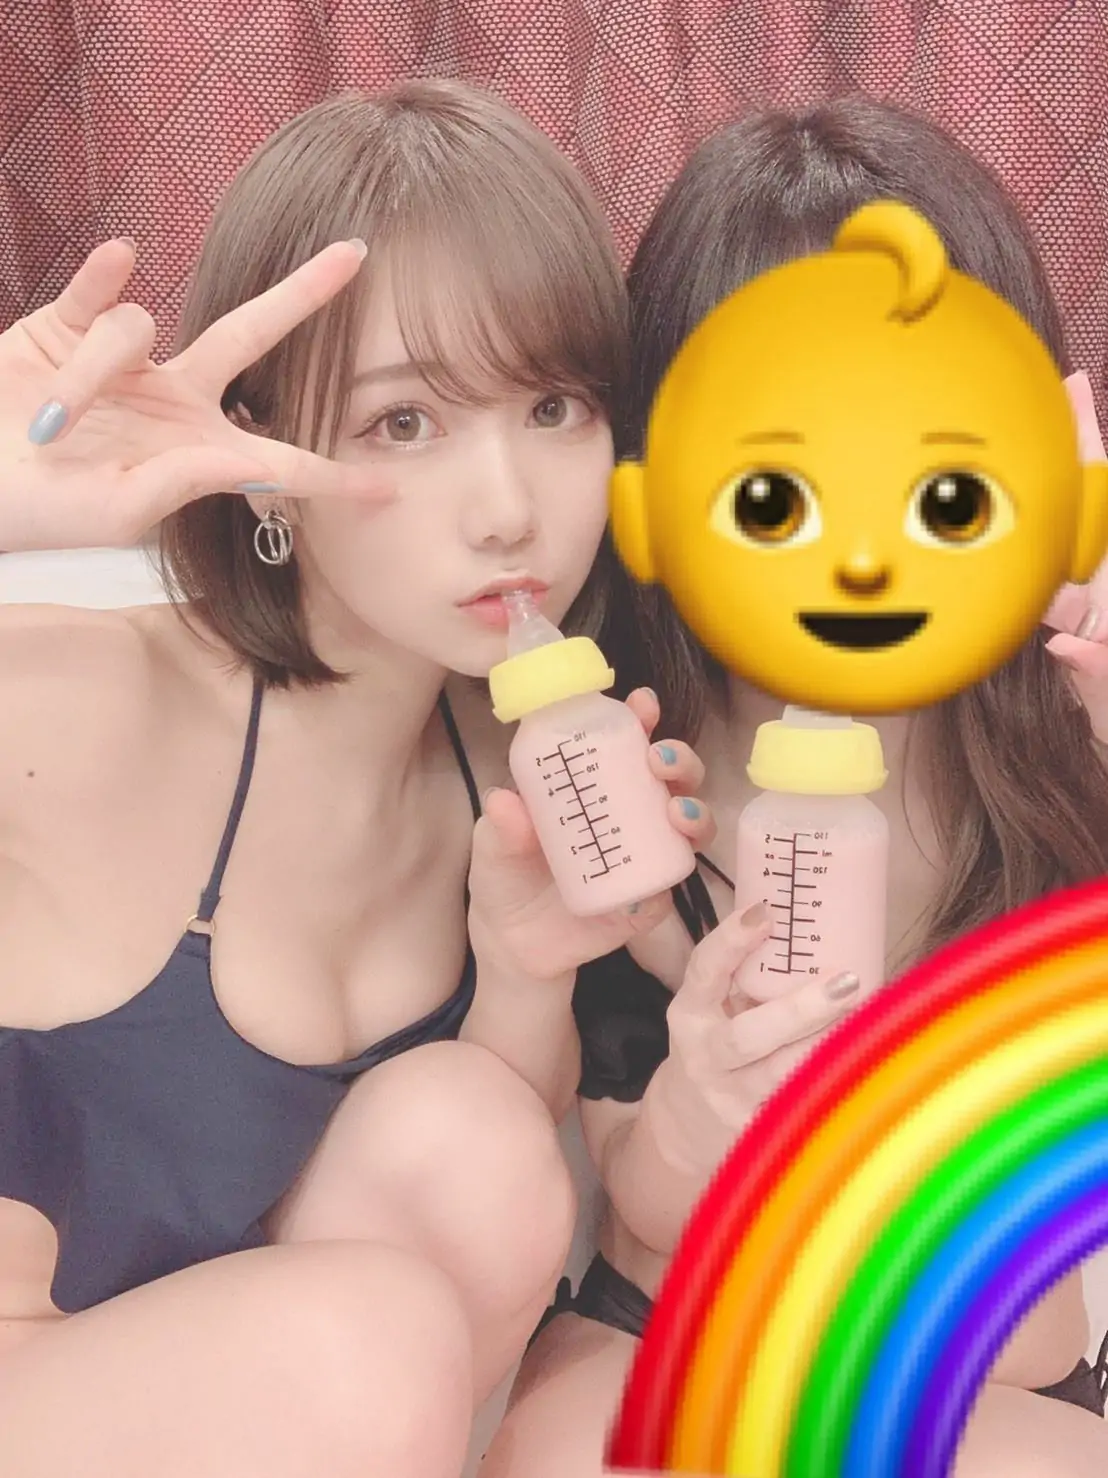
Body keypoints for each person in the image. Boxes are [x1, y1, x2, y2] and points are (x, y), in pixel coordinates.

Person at [0, 80, 712, 1478]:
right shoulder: (78, 699)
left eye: (553, 406)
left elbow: (489, 1225)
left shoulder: (514, 759)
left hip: (280, 1411)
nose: (508, 508)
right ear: (263, 456)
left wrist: (526, 969)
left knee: (478, 1145)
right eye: (404, 422)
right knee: (364, 1343)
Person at [482, 96, 1108, 1478]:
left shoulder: (1065, 752)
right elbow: (631, 1197)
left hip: (995, 1375)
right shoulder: (613, 765)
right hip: (667, 1329)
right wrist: (694, 1116)